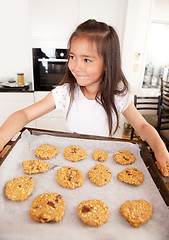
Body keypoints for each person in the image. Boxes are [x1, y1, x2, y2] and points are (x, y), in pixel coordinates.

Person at [0, 20, 168, 176]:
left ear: (108, 64)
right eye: (72, 57)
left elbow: (143, 126)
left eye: (87, 59)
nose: (76, 66)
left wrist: (159, 147)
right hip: (70, 163)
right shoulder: (66, 93)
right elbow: (25, 115)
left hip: (102, 165)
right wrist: (2, 137)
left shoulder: (117, 96)